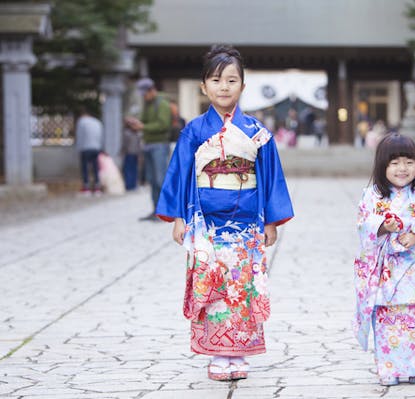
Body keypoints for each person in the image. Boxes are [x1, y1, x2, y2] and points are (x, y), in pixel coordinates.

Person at [155, 44, 294, 382]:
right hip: (206, 222)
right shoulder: (194, 131)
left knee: (242, 286)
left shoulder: (256, 133)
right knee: (213, 285)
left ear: (243, 87)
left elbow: (272, 176)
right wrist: (178, 217)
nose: (224, 87)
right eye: (216, 80)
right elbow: (179, 173)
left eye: (232, 80)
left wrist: (272, 220)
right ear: (204, 86)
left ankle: (239, 352)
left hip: (246, 222)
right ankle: (218, 352)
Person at [353, 133, 415, 386]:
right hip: (387, 268)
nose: (402, 169)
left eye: (407, 162)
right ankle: (391, 369)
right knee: (389, 319)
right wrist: (382, 225)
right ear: (382, 166)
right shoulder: (372, 195)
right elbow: (363, 223)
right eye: (394, 163)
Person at [128, 78, 172, 220]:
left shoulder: (162, 104)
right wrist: (136, 123)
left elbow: (163, 125)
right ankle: (156, 211)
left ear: (152, 90)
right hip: (148, 145)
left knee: (160, 179)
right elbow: (145, 121)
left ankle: (165, 212)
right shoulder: (148, 104)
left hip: (159, 145)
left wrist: (143, 127)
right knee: (152, 180)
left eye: (144, 93)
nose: (143, 96)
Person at [75, 107, 104, 195]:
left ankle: (86, 187)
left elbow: (79, 136)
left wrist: (78, 148)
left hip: (85, 147)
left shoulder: (82, 122)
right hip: (96, 147)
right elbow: (101, 136)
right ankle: (97, 187)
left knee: (85, 168)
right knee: (95, 167)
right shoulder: (97, 122)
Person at [122, 117, 143, 190]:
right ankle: (133, 185)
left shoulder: (126, 133)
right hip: (135, 153)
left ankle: (129, 185)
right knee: (134, 169)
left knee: (128, 169)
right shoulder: (138, 134)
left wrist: (122, 151)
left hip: (129, 153)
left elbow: (125, 144)